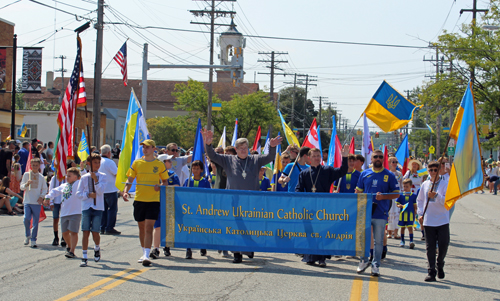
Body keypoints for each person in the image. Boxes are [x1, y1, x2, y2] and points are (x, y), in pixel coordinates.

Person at [203, 129, 282, 263]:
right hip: (234, 200)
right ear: (236, 149)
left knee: (249, 225)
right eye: (240, 148)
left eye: (245, 148)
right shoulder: (228, 160)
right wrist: (208, 144)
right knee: (236, 226)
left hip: (251, 200)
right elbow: (213, 156)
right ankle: (237, 253)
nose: (243, 150)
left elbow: (269, 157)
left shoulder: (255, 159)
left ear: (249, 149)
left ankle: (247, 248)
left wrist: (273, 147)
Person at [295, 147, 349, 267]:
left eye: (318, 156)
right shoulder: (304, 173)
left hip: (324, 207)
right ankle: (310, 257)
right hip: (309, 208)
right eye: (314, 156)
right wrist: (301, 200)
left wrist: (344, 157)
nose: (316, 158)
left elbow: (342, 171)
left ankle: (322, 258)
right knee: (310, 232)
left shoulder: (327, 170)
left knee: (322, 232)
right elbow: (298, 189)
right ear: (309, 158)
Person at [123, 139, 169, 266]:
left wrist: (159, 186)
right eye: (143, 147)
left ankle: (147, 255)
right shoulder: (137, 163)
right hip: (139, 199)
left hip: (153, 200)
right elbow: (130, 178)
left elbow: (165, 182)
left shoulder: (159, 164)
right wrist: (125, 191)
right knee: (141, 228)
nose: (145, 149)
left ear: (154, 148)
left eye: (148, 147)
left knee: (149, 227)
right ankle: (144, 252)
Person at [356, 150, 400, 277]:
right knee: (364, 239)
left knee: (379, 241)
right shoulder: (364, 174)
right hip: (365, 212)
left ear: (383, 159)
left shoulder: (389, 175)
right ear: (371, 158)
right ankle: (363, 261)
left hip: (381, 212)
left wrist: (384, 197)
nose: (378, 158)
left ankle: (376, 265)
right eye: (376, 157)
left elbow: (396, 193)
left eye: (381, 157)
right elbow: (358, 192)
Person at [416, 161, 450, 282]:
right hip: (428, 220)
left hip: (442, 220)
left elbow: (448, 203)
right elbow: (420, 200)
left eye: (436, 170)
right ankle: (431, 272)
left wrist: (436, 196)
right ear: (428, 171)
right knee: (430, 247)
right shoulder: (425, 184)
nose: (433, 172)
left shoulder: (445, 184)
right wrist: (420, 214)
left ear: (440, 170)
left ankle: (440, 263)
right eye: (431, 170)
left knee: (443, 246)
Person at [76, 153, 107, 267]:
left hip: (98, 207)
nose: (97, 165)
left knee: (95, 231)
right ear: (89, 164)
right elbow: (78, 194)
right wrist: (88, 195)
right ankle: (84, 256)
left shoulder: (103, 176)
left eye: (98, 163)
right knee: (85, 231)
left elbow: (101, 191)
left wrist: (96, 180)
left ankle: (97, 247)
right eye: (95, 162)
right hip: (86, 207)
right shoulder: (84, 177)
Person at [44, 167, 82, 258]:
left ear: (76, 177)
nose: (67, 177)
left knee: (73, 232)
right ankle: (69, 246)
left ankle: (72, 251)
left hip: (75, 212)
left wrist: (82, 168)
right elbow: (54, 191)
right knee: (64, 233)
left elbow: (84, 177)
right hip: (65, 212)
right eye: (66, 176)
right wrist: (48, 197)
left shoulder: (79, 184)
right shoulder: (64, 185)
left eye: (69, 176)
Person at [150, 154, 180, 259]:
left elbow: (177, 186)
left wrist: (164, 186)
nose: (171, 162)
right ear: (163, 163)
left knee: (169, 226)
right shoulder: (154, 174)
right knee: (157, 226)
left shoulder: (172, 174)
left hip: (169, 203)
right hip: (156, 202)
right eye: (169, 161)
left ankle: (167, 245)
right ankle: (156, 248)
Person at [183, 160, 211, 259]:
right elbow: (183, 194)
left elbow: (209, 195)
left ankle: (202, 245)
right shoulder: (187, 181)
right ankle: (188, 249)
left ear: (201, 170)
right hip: (190, 210)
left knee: (201, 228)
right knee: (189, 229)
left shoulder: (205, 182)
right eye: (193, 168)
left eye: (197, 168)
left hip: (201, 210)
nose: (195, 170)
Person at [20, 158, 48, 248]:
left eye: (36, 165)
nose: (35, 167)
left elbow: (45, 189)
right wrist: (26, 184)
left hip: (36, 202)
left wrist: (42, 197)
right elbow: (21, 187)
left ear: (39, 165)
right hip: (27, 201)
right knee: (26, 219)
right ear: (31, 165)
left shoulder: (41, 176)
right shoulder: (26, 175)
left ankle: (33, 239)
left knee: (36, 222)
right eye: (33, 165)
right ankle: (27, 235)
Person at [99, 144, 121, 235]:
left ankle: (102, 227)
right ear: (108, 153)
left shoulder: (98, 161)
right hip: (110, 189)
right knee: (112, 209)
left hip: (101, 189)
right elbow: (116, 173)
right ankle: (109, 227)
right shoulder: (109, 162)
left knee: (103, 209)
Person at [396, 179, 418, 249]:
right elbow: (397, 204)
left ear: (411, 186)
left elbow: (415, 205)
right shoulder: (401, 195)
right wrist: (400, 206)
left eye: (407, 186)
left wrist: (415, 212)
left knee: (410, 228)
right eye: (404, 186)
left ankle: (411, 241)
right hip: (402, 215)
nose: (405, 188)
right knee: (402, 228)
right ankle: (402, 241)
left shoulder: (413, 196)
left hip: (410, 215)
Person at [387, 157, 403, 239]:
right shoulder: (387, 173)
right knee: (390, 213)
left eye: (396, 162)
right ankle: (389, 232)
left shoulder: (399, 174)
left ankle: (396, 232)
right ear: (389, 162)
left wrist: (402, 195)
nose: (395, 163)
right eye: (393, 162)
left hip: (397, 195)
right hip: (390, 195)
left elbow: (401, 185)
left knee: (397, 213)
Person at [48, 175, 65, 246]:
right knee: (55, 219)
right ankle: (56, 237)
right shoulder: (54, 178)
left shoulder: (66, 177)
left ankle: (64, 237)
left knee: (64, 220)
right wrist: (51, 201)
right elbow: (51, 189)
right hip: (55, 201)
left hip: (64, 201)